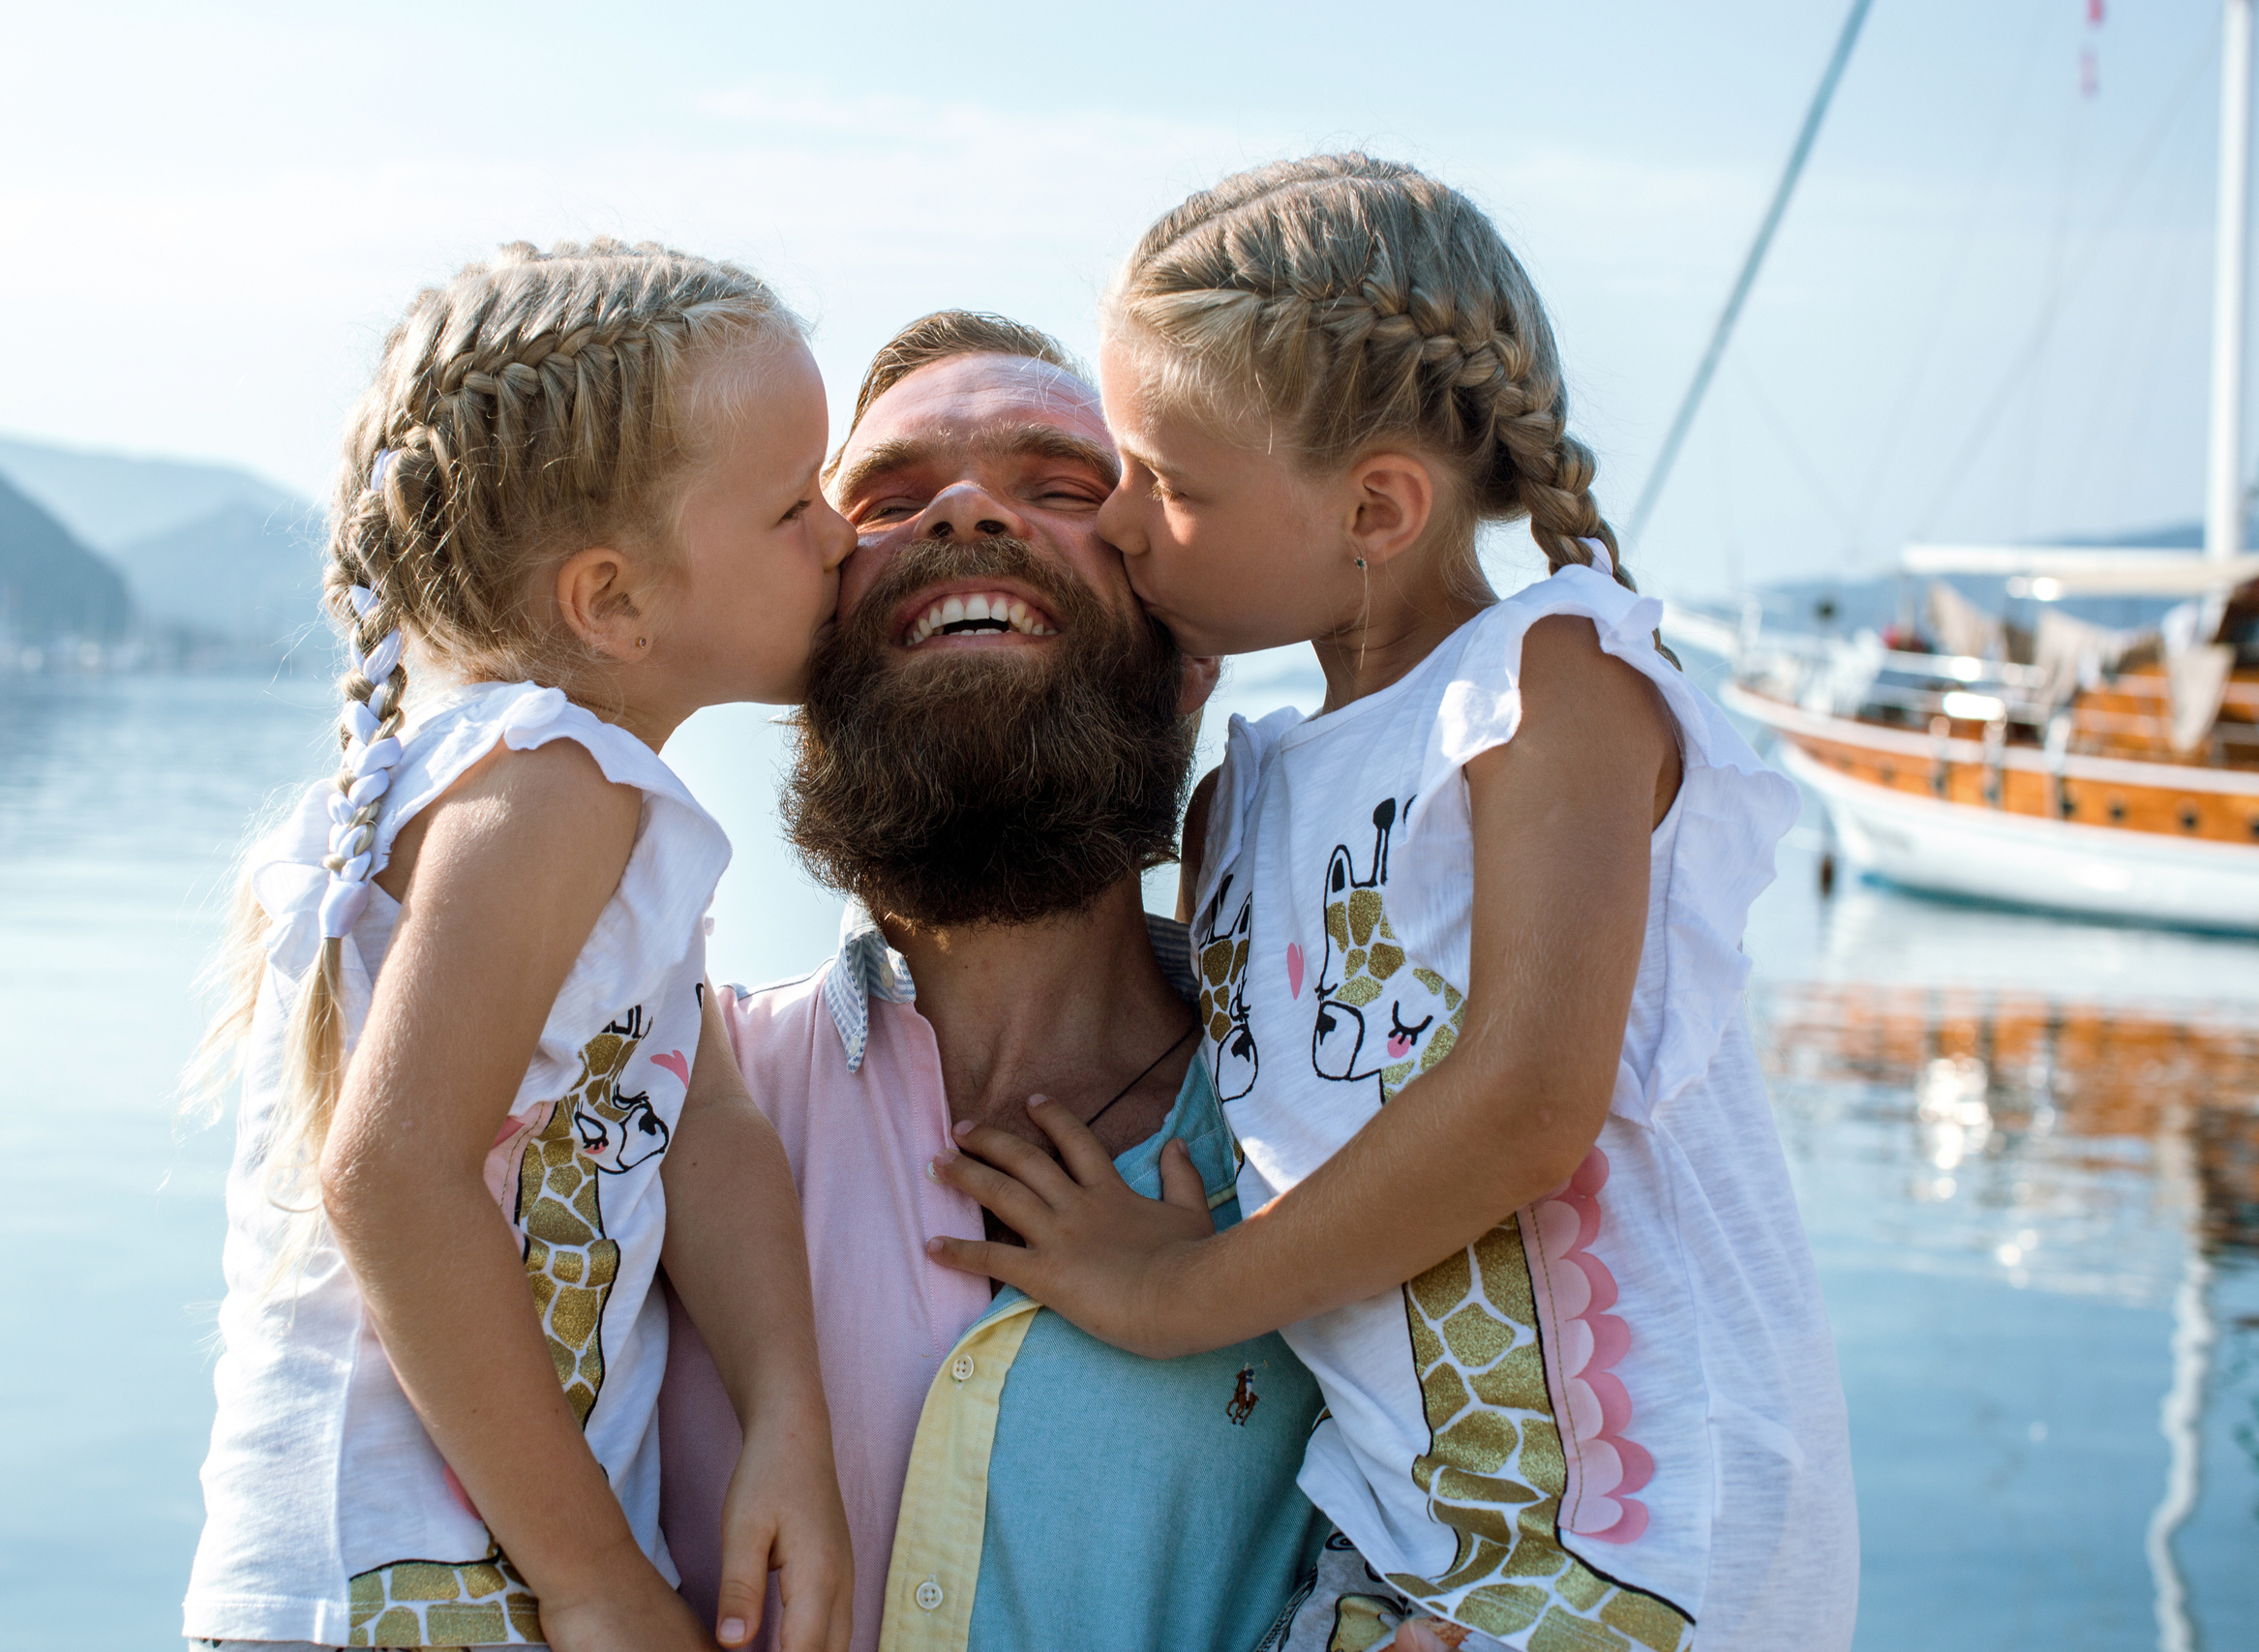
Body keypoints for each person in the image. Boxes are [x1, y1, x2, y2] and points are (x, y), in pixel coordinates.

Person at [925, 157, 1858, 1651]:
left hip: (1642, 1534)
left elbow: (1526, 1104)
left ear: (1376, 507)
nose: (1120, 526)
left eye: (1170, 485)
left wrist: (1178, 1295)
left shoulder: (1544, 687)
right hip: (1411, 1540)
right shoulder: (1239, 806)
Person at [182, 240, 855, 1652]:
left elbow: (704, 1120)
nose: (844, 534)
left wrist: (789, 1413)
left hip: (440, 1565)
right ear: (614, 601)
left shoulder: (554, 786)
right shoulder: (548, 785)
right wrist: (596, 1576)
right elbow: (390, 1175)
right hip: (410, 1578)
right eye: (796, 504)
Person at [656, 312, 1330, 1652]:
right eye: (886, 502)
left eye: (1065, 488)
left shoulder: (1358, 1128)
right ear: (807, 643)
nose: (963, 511)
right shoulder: (651, 1096)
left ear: (1194, 646)